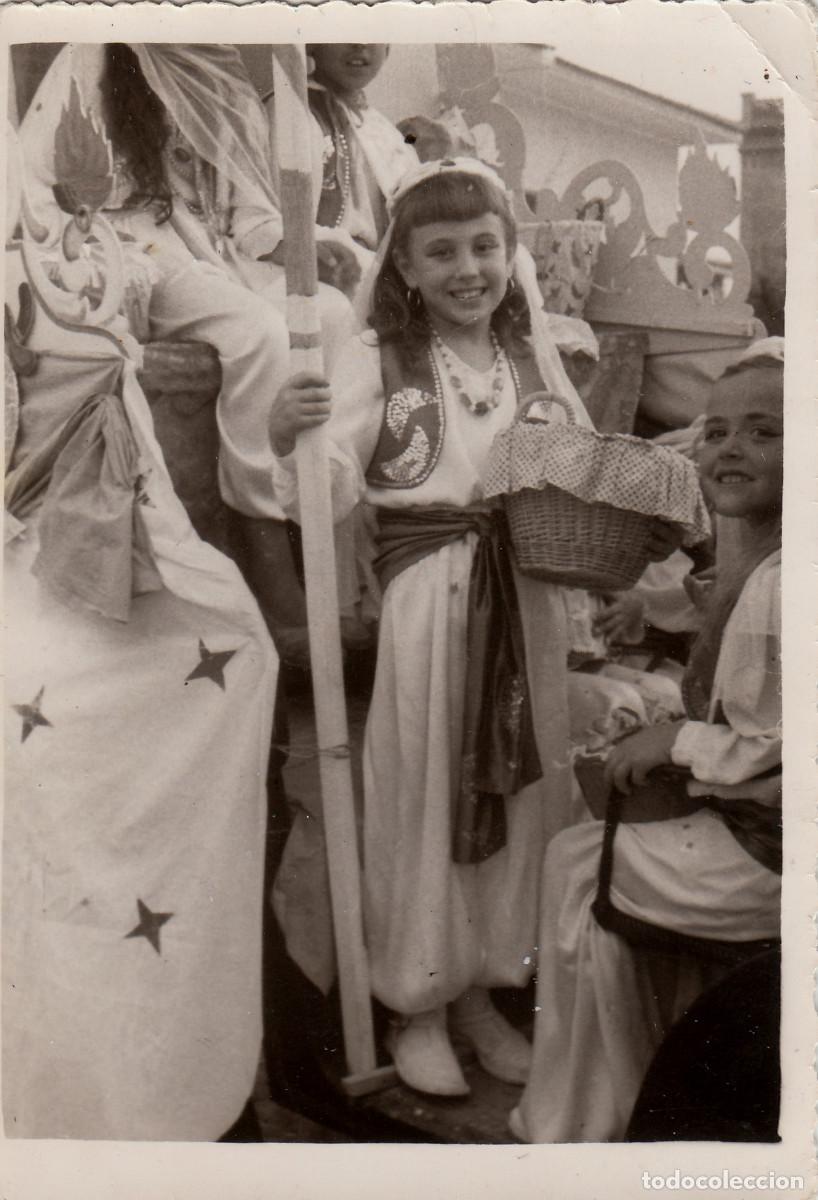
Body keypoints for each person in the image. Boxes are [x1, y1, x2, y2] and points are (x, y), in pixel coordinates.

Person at [269, 158, 677, 1098]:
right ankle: (417, 999)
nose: (467, 268)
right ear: (404, 267)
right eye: (441, 251)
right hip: (429, 605)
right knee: (427, 791)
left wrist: (656, 520)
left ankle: (484, 992)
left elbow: (586, 471)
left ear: (510, 257)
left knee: (520, 794)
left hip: (525, 601)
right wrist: (284, 429)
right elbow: (320, 483)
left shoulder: (534, 361)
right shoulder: (381, 360)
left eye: (485, 247)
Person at [3, 149, 278, 1137]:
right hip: (22, 578)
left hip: (87, 549)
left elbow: (138, 461)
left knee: (235, 658)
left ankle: (139, 1071)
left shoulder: (76, 257)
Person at [510, 339, 784, 1143]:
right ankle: (636, 1076)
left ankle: (590, 1117)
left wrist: (675, 743)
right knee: (594, 849)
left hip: (775, 857)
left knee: (574, 867)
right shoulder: (765, 554)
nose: (732, 448)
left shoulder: (783, 578)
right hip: (772, 833)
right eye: (718, 431)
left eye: (765, 432)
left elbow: (777, 740)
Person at [18, 42, 353, 661]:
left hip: (212, 252)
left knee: (330, 311)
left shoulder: (210, 63)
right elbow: (51, 188)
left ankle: (301, 512)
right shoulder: (94, 55)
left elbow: (244, 208)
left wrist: (293, 245)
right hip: (133, 252)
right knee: (257, 331)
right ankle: (262, 538)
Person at [266, 44, 419, 293]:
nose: (360, 44)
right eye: (343, 29)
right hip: (332, 273)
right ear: (314, 44)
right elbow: (285, 224)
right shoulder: (293, 113)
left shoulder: (378, 124)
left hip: (383, 269)